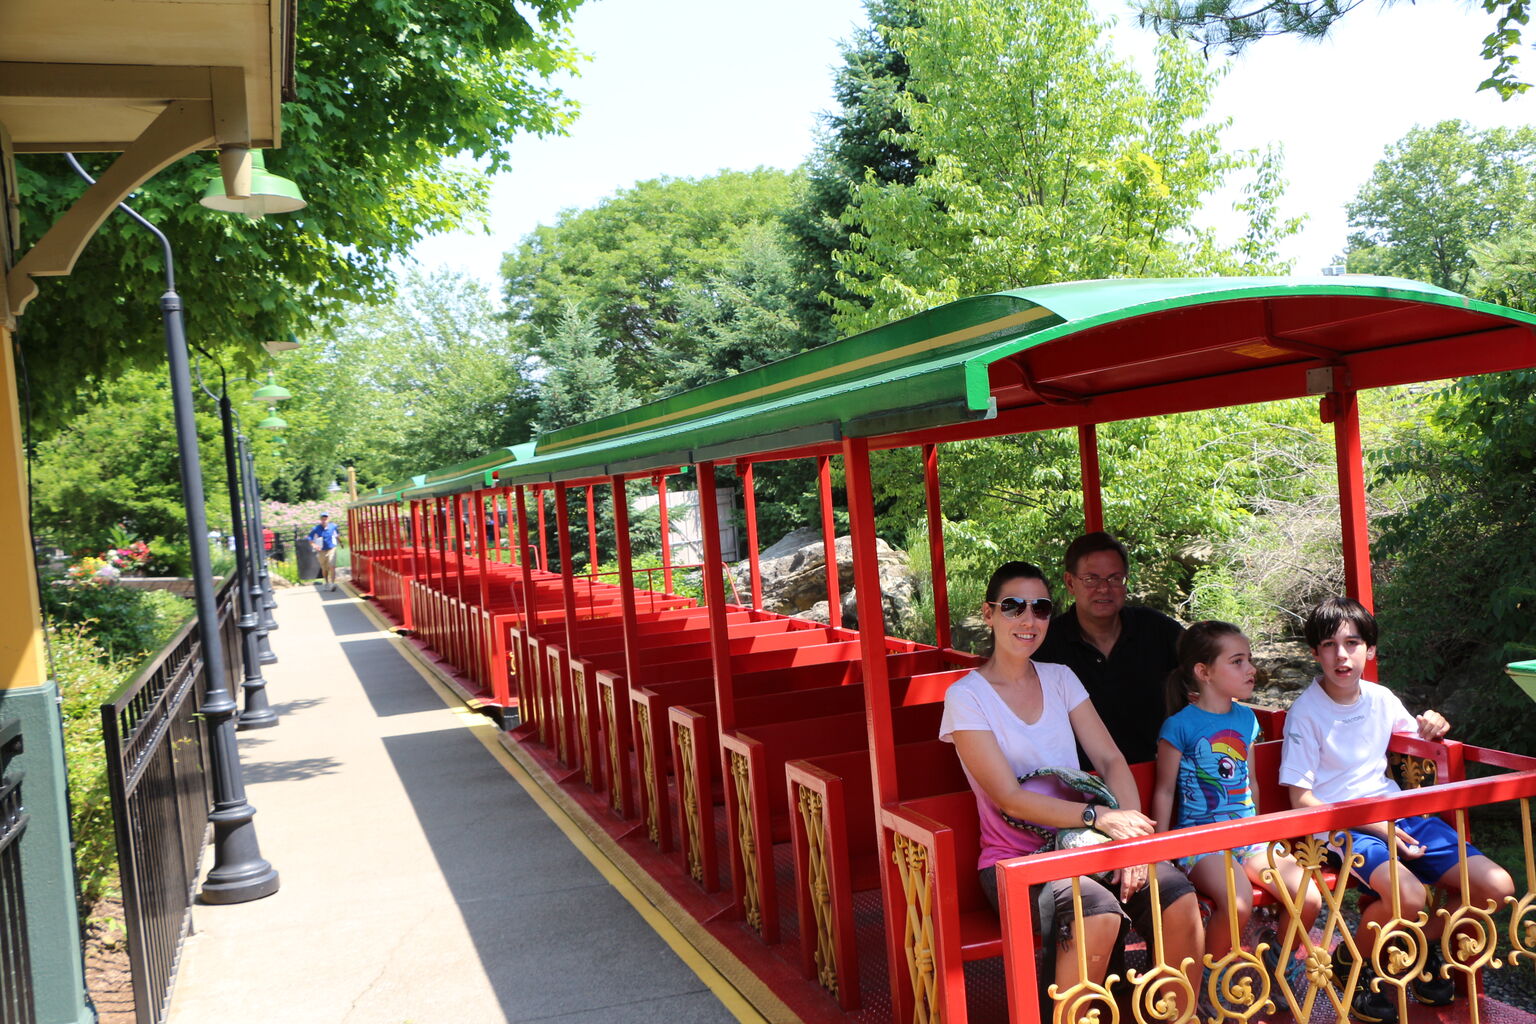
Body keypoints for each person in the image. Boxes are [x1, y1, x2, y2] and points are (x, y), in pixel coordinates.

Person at [940, 560, 1202, 1007]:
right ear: (989, 614)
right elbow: (1010, 797)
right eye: (1013, 606)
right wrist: (1101, 816)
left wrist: (1136, 838)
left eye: (1040, 608)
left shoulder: (1060, 678)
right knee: (1094, 911)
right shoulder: (966, 697)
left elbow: (1110, 759)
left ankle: (1176, 1015)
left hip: (1089, 844)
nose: (1028, 619)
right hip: (1017, 862)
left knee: (1177, 896)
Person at [1280, 596, 1516, 1024]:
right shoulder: (1305, 714)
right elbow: (1303, 800)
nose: (1341, 655)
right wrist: (1378, 828)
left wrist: (1434, 724)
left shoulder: (1380, 697)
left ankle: (1415, 949)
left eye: (1352, 643)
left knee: (1496, 886)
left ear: (1370, 650)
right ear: (1315, 653)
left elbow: (1422, 736)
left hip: (1399, 814)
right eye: (1329, 645)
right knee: (1408, 894)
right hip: (1338, 825)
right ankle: (1355, 964)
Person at [1152, 620, 1321, 997]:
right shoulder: (1179, 726)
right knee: (1239, 901)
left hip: (1248, 838)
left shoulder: (1247, 719)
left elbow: (1252, 782)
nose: (1251, 669)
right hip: (1203, 841)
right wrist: (1161, 852)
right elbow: (1164, 791)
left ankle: (1279, 962)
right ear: (1204, 672)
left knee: (1308, 894)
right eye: (1238, 661)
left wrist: (1259, 831)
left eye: (1249, 660)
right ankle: (1208, 977)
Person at [1035, 532, 1184, 765]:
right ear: (1070, 582)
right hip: (1079, 785)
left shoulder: (1159, 630)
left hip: (1159, 774)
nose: (1104, 589)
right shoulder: (1046, 644)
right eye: (1091, 579)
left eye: (1114, 578)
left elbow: (1205, 677)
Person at [308, 512, 341, 591]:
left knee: (332, 566)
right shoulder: (316, 528)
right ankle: (326, 582)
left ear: (328, 519)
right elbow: (310, 538)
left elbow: (337, 535)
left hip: (331, 549)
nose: (324, 520)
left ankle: (332, 583)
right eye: (323, 519)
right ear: (320, 520)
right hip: (321, 551)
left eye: (326, 519)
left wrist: (340, 542)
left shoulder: (333, 526)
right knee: (324, 568)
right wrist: (314, 545)